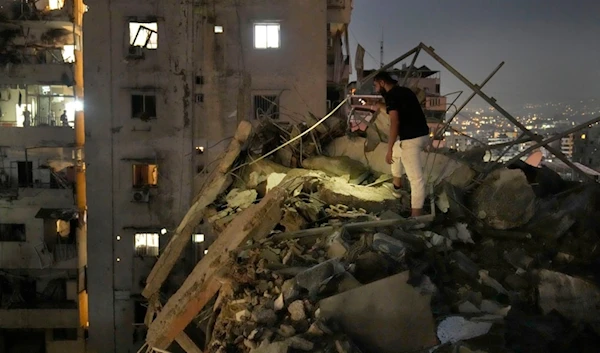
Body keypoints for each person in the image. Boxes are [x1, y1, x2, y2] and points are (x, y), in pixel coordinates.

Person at [371, 71, 430, 217]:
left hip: (411, 139)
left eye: (376, 85)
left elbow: (395, 122)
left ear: (382, 83)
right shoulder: (404, 92)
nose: (375, 89)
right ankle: (397, 189)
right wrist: (379, 105)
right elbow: (396, 110)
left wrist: (389, 148)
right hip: (422, 135)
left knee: (416, 180)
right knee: (397, 154)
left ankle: (416, 217)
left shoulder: (392, 96)